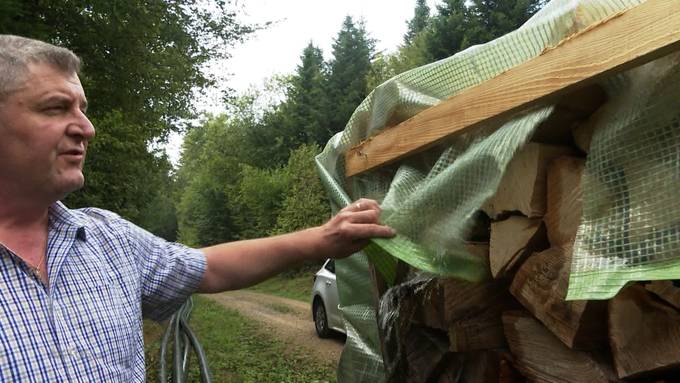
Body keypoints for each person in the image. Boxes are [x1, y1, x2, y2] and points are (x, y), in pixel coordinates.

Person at [0, 35, 394, 382]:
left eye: (82, 108)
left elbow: (210, 267)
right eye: (55, 108)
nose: (86, 128)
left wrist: (324, 238)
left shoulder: (108, 237)